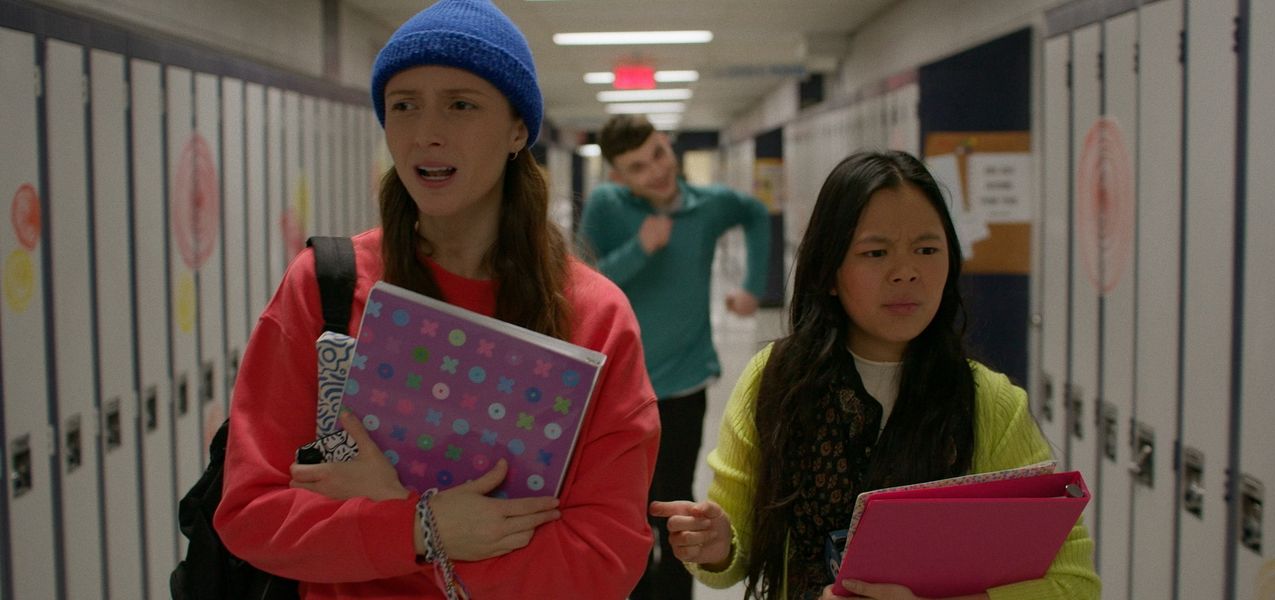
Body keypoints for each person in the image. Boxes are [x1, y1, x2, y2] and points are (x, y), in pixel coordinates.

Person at [212, 1, 660, 598]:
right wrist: (423, 528)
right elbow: (252, 513)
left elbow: (604, 559)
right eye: (404, 106)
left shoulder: (594, 316)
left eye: (460, 105)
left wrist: (403, 515)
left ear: (517, 130)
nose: (426, 133)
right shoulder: (326, 287)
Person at [650, 150, 1100, 600]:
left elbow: (1074, 583)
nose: (906, 273)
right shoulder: (776, 381)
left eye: (927, 250)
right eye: (876, 252)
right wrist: (717, 545)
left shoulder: (987, 402)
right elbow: (733, 553)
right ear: (829, 271)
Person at [578, 114, 773, 600]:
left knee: (676, 504)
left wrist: (753, 287)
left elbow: (755, 213)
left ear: (668, 145)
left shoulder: (708, 206)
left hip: (685, 383)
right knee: (629, 509)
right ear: (617, 175)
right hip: (621, 390)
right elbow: (584, 281)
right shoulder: (606, 205)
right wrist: (640, 248)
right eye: (637, 167)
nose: (656, 171)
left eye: (658, 155)